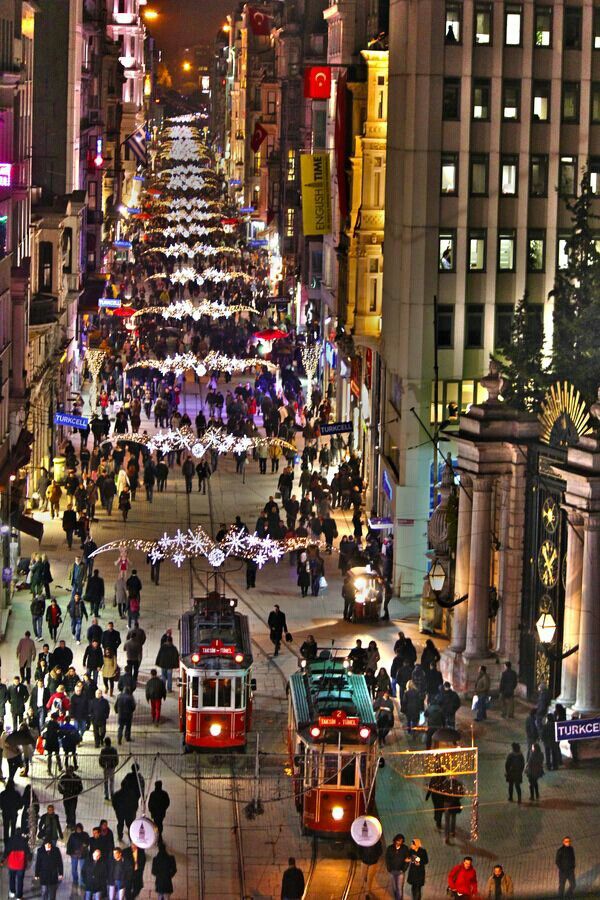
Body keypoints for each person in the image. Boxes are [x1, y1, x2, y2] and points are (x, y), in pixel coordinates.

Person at [4, 827, 30, 899]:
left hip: (12, 865)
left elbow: (6, 852)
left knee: (12, 878)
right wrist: (29, 860)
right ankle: (19, 896)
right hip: (21, 865)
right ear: (21, 833)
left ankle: (12, 892)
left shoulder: (11, 840)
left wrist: (2, 860)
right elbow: (28, 853)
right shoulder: (24, 841)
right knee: (20, 881)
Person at [385, 833, 410, 900]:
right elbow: (387, 859)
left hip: (400, 872)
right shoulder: (390, 848)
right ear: (395, 840)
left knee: (399, 888)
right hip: (392, 871)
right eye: (398, 841)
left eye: (401, 841)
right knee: (394, 888)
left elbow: (407, 859)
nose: (399, 842)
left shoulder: (405, 848)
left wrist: (404, 869)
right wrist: (389, 868)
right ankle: (396, 897)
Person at [57, 764, 83, 829]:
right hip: (66, 797)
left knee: (72, 811)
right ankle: (68, 823)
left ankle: (73, 825)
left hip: (73, 798)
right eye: (68, 770)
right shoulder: (63, 778)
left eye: (71, 770)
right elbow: (59, 786)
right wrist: (63, 792)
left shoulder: (77, 778)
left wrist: (76, 792)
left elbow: (80, 787)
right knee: (67, 811)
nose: (69, 772)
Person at [66, 822, 90, 890]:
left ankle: (82, 881)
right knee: (74, 868)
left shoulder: (85, 835)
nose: (78, 830)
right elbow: (69, 844)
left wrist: (85, 845)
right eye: (77, 829)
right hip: (74, 854)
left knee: (82, 869)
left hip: (82, 854)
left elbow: (88, 842)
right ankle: (75, 880)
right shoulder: (73, 835)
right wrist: (70, 852)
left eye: (79, 829)